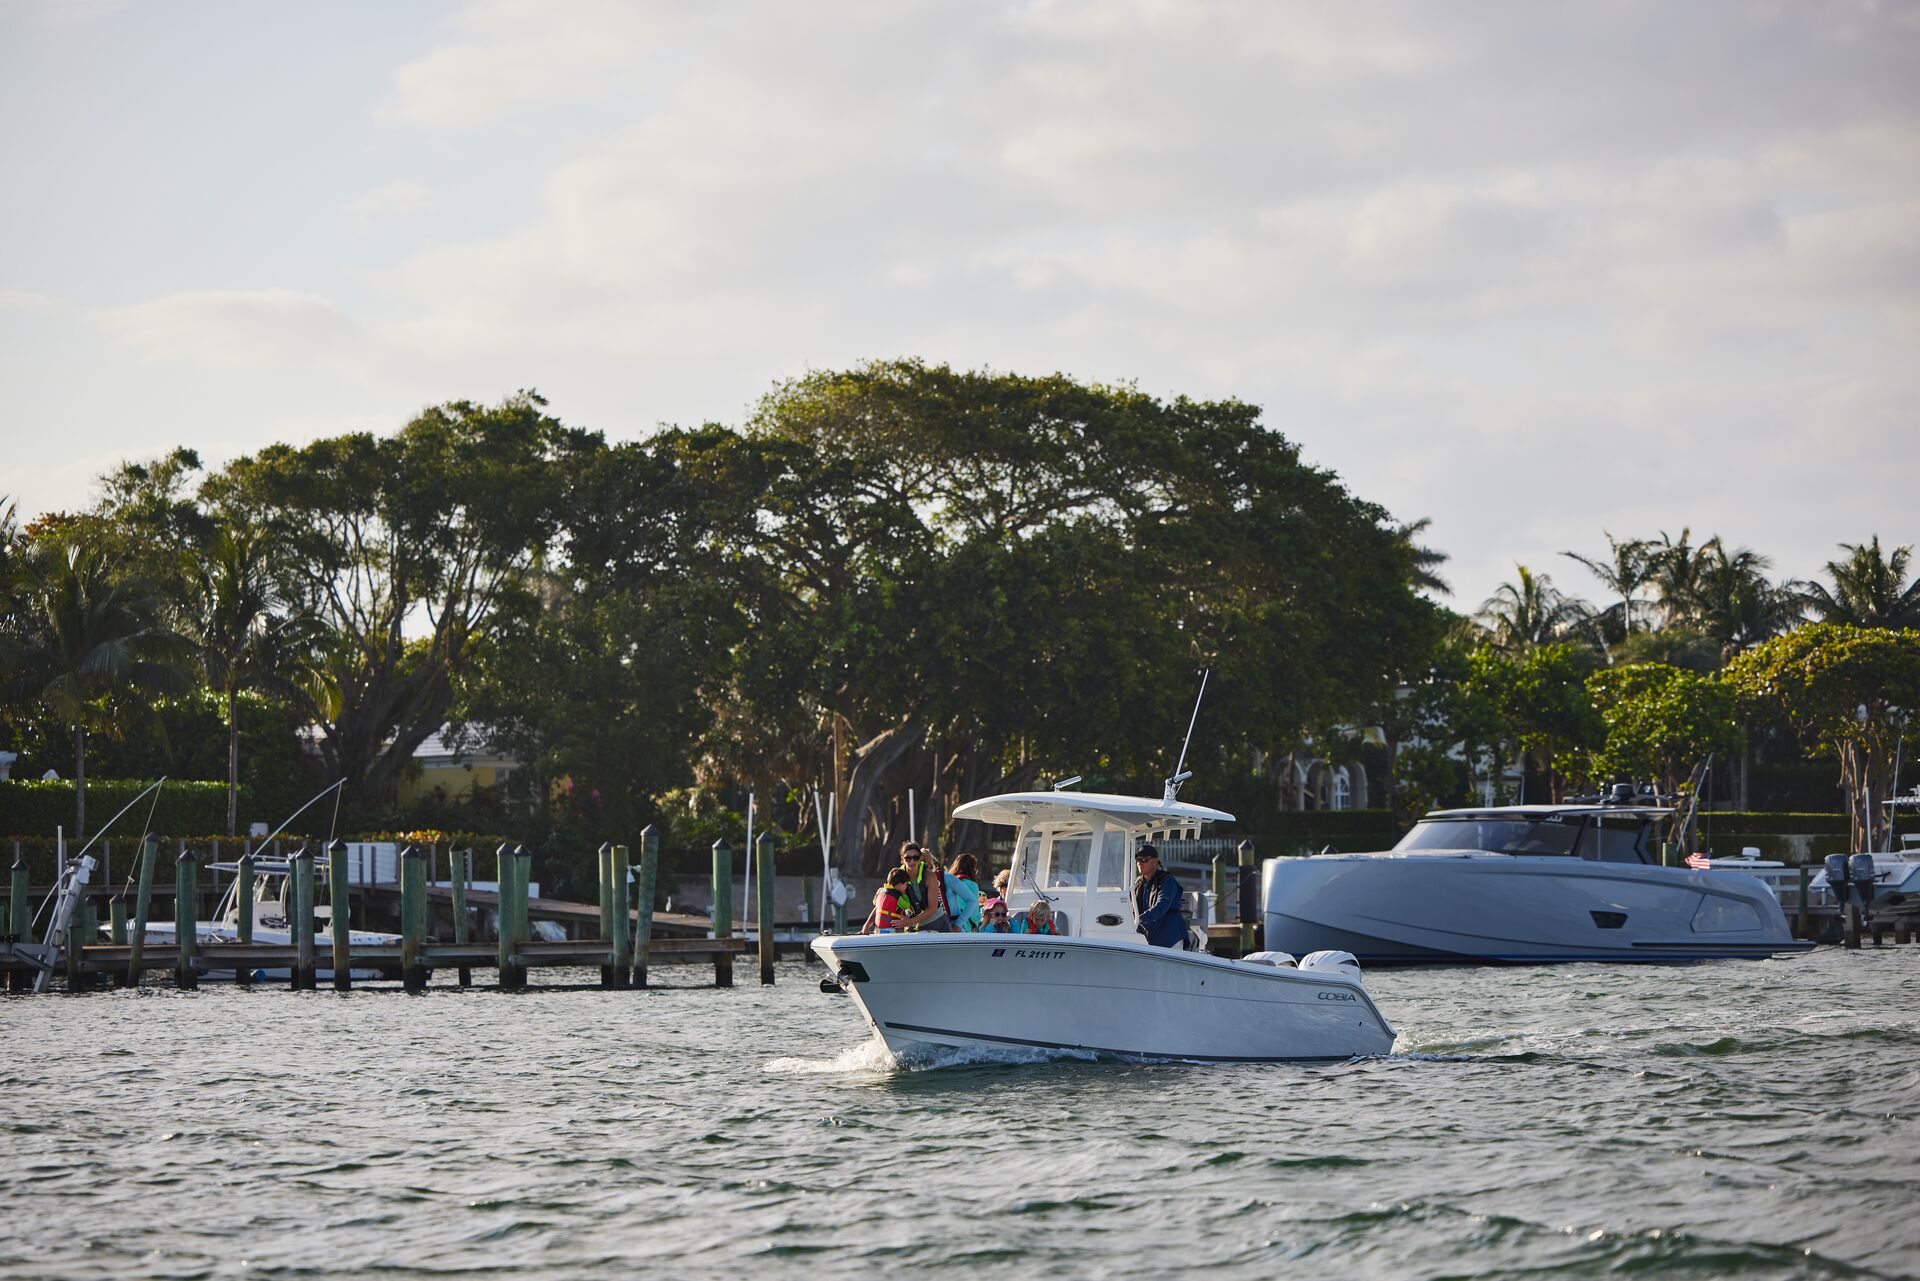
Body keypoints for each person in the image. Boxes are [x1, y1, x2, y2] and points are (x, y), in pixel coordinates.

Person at [1131, 843, 1188, 948]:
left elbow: (1162, 905)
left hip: (1171, 937)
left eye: (1144, 860)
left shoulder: (1167, 880)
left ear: (1155, 862)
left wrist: (1140, 918)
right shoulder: (1138, 883)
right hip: (1150, 939)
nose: (1140, 863)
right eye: (1138, 860)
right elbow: (1130, 903)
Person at [896, 842, 953, 932]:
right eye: (908, 858)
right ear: (902, 859)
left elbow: (932, 908)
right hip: (911, 926)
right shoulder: (896, 876)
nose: (912, 861)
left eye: (915, 857)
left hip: (936, 923)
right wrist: (867, 924)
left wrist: (908, 922)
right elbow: (886, 897)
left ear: (920, 859)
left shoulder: (930, 876)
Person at [945, 853, 983, 931]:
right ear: (973, 869)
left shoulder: (949, 881)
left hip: (947, 923)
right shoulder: (972, 885)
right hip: (962, 926)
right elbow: (974, 915)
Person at [869, 867, 911, 932]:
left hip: (877, 928)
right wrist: (904, 893)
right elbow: (907, 906)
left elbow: (874, 902)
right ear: (900, 885)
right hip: (891, 929)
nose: (906, 886)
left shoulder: (880, 891)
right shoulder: (897, 896)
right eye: (906, 884)